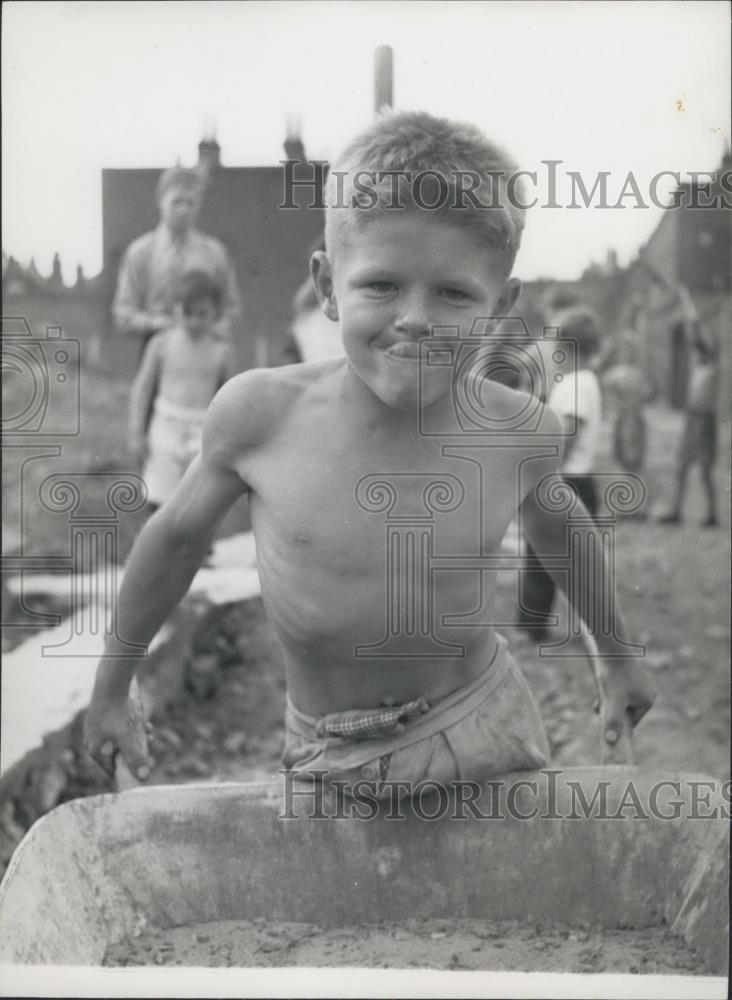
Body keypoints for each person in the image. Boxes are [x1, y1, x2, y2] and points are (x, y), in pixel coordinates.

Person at [85, 111, 654, 795]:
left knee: (485, 897)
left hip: (478, 724)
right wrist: (113, 686)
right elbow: (174, 540)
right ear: (327, 286)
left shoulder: (517, 429)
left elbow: (562, 529)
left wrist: (617, 656)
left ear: (500, 306)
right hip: (327, 746)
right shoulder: (261, 416)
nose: (415, 317)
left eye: (453, 293)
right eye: (381, 285)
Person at [518, 305, 603, 638]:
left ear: (566, 347)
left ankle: (537, 626)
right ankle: (541, 623)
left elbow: (567, 433)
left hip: (566, 481)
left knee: (546, 557)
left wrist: (542, 470)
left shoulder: (576, 384)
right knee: (558, 558)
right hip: (574, 481)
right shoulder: (580, 381)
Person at [128, 270, 238, 513]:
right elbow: (143, 389)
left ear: (216, 314)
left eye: (202, 314)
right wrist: (137, 432)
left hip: (201, 427)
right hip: (165, 426)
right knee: (160, 498)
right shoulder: (161, 344)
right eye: (187, 313)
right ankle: (159, 547)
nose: (195, 322)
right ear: (175, 310)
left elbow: (228, 397)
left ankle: (199, 548)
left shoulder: (221, 351)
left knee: (198, 499)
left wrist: (227, 437)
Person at [112, 166, 242, 362]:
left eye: (191, 203)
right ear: (161, 201)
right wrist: (161, 324)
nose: (184, 210)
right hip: (156, 352)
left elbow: (231, 309)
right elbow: (123, 314)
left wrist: (212, 329)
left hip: (204, 354)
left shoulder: (214, 253)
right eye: (176, 202)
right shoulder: (140, 252)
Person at [658, 333, 720, 528]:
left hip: (704, 421)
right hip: (692, 418)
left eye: (701, 351)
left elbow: (704, 341)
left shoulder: (714, 370)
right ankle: (676, 510)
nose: (697, 355)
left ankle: (712, 513)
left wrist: (699, 333)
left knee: (705, 470)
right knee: (682, 467)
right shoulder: (698, 369)